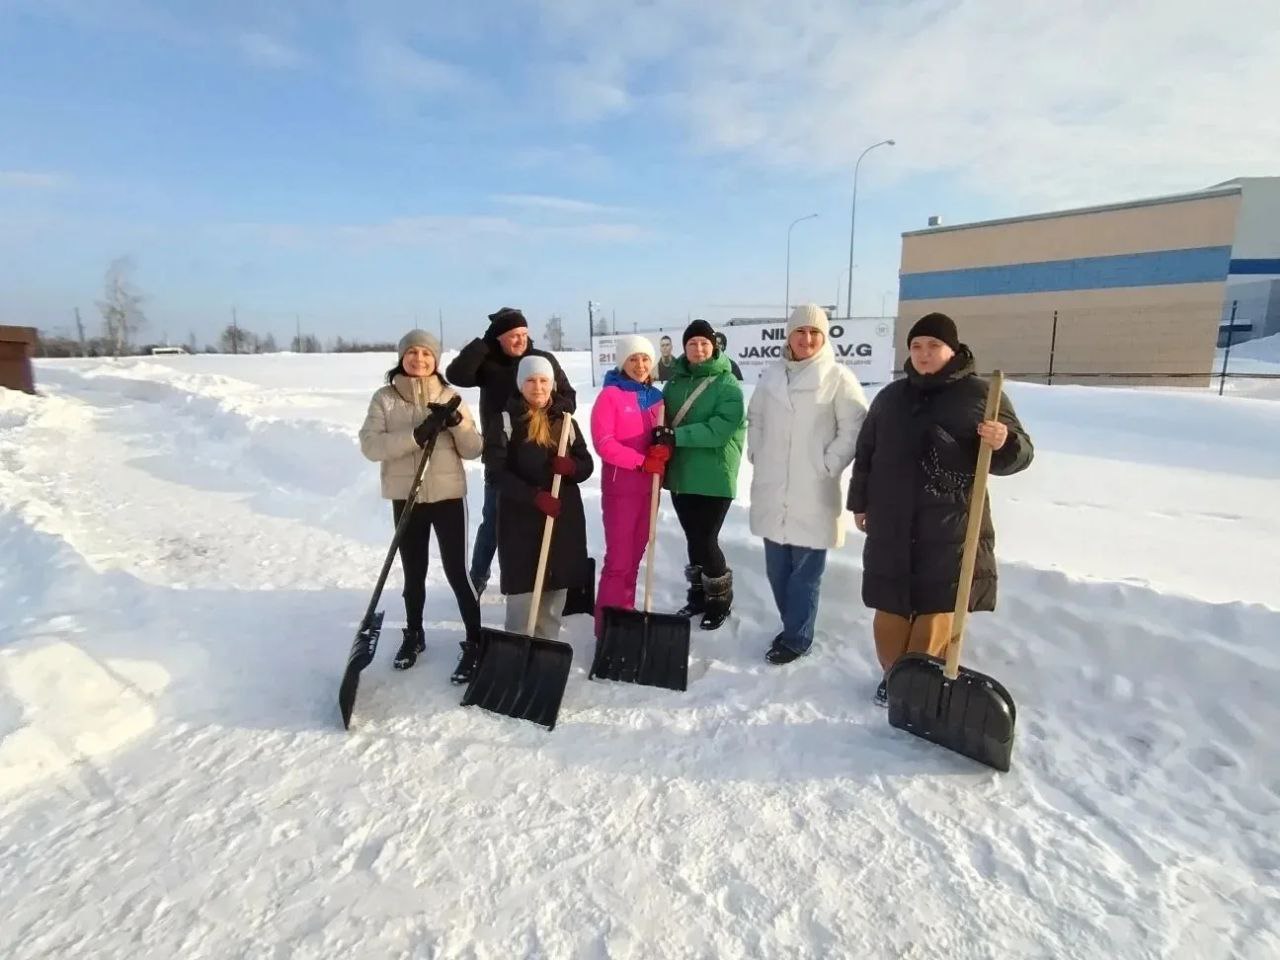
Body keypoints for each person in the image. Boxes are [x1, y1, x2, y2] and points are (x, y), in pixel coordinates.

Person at [848, 312, 1033, 705]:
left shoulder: (983, 396)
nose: (924, 353)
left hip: (951, 523)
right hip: (892, 520)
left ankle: (920, 680)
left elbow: (1021, 455)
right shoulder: (891, 398)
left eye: (934, 345)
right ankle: (895, 675)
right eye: (916, 346)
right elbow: (866, 454)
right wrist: (859, 503)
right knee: (890, 607)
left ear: (953, 349)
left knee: (937, 608)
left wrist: (1005, 441)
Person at [359, 330, 485, 682]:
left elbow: (474, 448)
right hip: (407, 497)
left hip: (448, 497)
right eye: (412, 352)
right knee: (413, 571)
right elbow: (370, 446)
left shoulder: (450, 397)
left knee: (457, 572)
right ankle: (414, 634)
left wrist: (457, 425)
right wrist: (416, 435)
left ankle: (475, 640)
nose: (419, 359)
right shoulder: (385, 399)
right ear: (402, 357)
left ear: (436, 360)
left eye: (426, 353)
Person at [747, 305, 868, 664]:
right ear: (789, 335)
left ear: (824, 337)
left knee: (805, 573)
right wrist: (757, 451)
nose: (807, 339)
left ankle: (797, 637)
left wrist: (828, 463)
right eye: (800, 331)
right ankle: (792, 625)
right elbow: (755, 417)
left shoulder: (838, 377)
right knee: (777, 570)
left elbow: (855, 428)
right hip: (773, 487)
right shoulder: (771, 376)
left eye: (815, 332)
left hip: (813, 489)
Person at [446, 307, 576, 597]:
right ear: (498, 337)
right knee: (494, 521)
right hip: (501, 454)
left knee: (541, 520)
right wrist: (484, 343)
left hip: (540, 456)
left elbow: (569, 398)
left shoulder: (542, 361)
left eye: (524, 334)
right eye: (513, 335)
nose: (520, 340)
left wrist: (547, 408)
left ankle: (542, 579)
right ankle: (477, 579)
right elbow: (456, 374)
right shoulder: (488, 363)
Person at [491, 355, 594, 641]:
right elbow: (496, 474)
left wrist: (572, 467)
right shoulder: (505, 421)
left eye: (543, 380)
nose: (538, 387)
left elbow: (586, 464)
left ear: (552, 385)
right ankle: (517, 647)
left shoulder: (567, 422)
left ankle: (546, 649)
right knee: (523, 597)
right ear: (520, 384)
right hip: (520, 521)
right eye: (531, 380)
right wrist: (534, 496)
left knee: (554, 592)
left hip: (561, 517)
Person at [654, 319, 746, 630]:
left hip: (714, 476)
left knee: (706, 540)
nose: (698, 348)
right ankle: (697, 596)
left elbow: (719, 430)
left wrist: (675, 436)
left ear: (714, 346)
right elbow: (660, 417)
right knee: (693, 538)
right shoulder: (675, 383)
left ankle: (719, 600)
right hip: (682, 474)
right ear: (685, 348)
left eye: (704, 343)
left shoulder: (727, 384)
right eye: (692, 343)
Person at [589, 335, 666, 638]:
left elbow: (663, 438)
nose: (640, 365)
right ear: (622, 362)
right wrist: (641, 462)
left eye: (645, 358)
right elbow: (604, 443)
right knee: (619, 561)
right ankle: (607, 628)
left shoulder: (657, 398)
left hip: (650, 489)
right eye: (633, 359)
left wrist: (664, 450)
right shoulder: (610, 396)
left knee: (634, 559)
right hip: (621, 490)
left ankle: (626, 615)